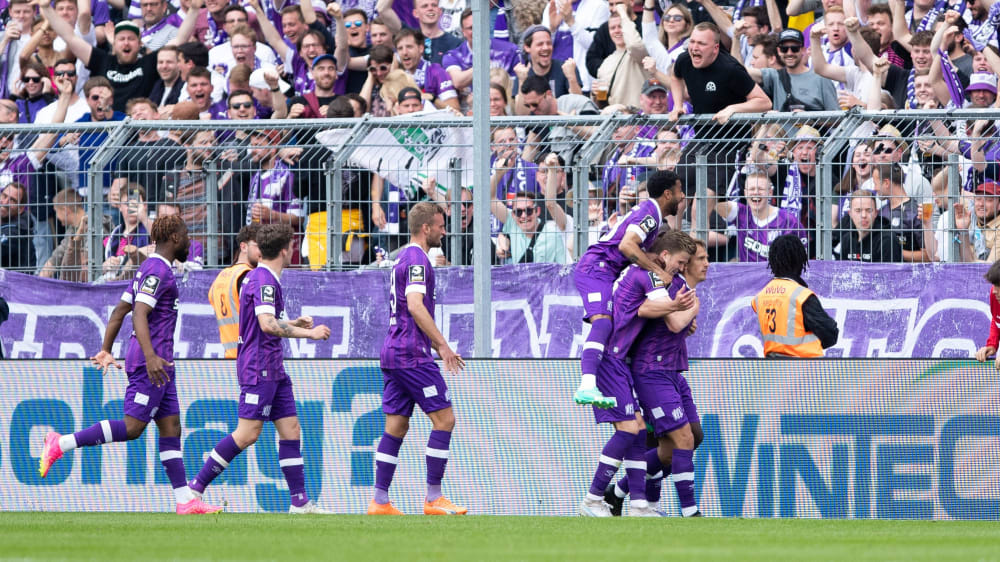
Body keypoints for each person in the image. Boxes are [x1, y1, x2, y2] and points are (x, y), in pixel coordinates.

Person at [39, 214, 222, 515]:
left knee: (171, 426)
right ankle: (60, 443)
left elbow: (119, 310)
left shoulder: (148, 269)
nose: (190, 240)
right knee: (134, 427)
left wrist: (105, 349)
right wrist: (149, 356)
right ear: (175, 238)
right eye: (186, 234)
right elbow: (138, 313)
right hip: (151, 361)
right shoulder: (157, 271)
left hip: (162, 362)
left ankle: (185, 500)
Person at [188, 223, 332, 513]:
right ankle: (194, 490)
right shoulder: (264, 280)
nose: (293, 250)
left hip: (272, 366)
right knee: (247, 434)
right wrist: (310, 334)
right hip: (258, 367)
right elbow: (267, 325)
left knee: (291, 429)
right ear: (284, 249)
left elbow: (260, 321)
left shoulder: (263, 278)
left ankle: (300, 503)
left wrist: (293, 323)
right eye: (292, 246)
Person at [578, 230, 696, 518]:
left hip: (619, 361)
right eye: (680, 262)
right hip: (610, 358)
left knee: (639, 430)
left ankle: (638, 504)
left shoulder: (644, 274)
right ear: (664, 256)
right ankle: (593, 498)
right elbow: (649, 308)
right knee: (630, 430)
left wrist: (678, 313)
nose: (682, 268)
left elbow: (655, 309)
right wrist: (679, 308)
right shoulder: (646, 273)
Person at [369, 202, 467, 516]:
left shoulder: (404, 258)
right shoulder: (416, 259)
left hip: (394, 352)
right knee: (444, 419)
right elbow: (414, 305)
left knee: (395, 426)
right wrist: (443, 347)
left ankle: (379, 501)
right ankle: (433, 498)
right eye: (440, 225)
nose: (443, 230)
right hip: (412, 354)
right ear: (426, 228)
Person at [607, 237, 709, 517]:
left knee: (682, 442)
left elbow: (676, 324)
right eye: (698, 259)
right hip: (653, 371)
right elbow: (672, 320)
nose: (705, 264)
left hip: (673, 371)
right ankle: (689, 512)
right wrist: (691, 309)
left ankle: (617, 492)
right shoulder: (670, 287)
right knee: (684, 439)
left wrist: (688, 315)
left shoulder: (681, 291)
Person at [572, 170, 685, 408]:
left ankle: (597, 384)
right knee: (602, 323)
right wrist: (659, 272)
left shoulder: (651, 214)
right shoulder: (651, 214)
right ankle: (587, 385)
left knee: (607, 325)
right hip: (597, 267)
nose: (683, 196)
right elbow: (626, 245)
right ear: (667, 194)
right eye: (679, 191)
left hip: (604, 270)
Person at [751, 234, 839, 358]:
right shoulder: (801, 296)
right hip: (805, 371)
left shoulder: (760, 297)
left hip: (772, 369)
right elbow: (830, 334)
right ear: (799, 260)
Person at [667, 22, 770, 124]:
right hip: (701, 135)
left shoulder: (730, 69)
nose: (694, 48)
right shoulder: (684, 60)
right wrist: (678, 105)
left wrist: (733, 109)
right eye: (692, 42)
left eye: (701, 43)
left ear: (715, 48)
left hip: (733, 137)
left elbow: (764, 102)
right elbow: (676, 77)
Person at [714, 172, 809, 262]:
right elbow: (713, 202)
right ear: (745, 193)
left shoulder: (788, 220)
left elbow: (802, 257)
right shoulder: (741, 214)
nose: (756, 193)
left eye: (761, 189)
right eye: (751, 189)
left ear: (770, 192)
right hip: (750, 277)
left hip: (778, 277)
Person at [209, 224, 261, 359]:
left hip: (230, 357)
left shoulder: (220, 277)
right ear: (243, 247)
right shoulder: (249, 277)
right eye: (258, 246)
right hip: (250, 358)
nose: (262, 252)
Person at [492, 191, 567, 264]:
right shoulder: (513, 224)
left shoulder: (552, 234)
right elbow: (490, 197)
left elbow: (563, 267)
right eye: (518, 212)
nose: (524, 216)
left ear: (537, 211)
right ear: (513, 215)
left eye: (529, 211)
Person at [0, 181, 35, 271]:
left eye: (12, 200)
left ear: (20, 209)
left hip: (11, 283)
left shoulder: (17, 230)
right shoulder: (6, 221)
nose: (5, 202)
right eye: (4, 196)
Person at [974, 260, 1000, 368]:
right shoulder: (995, 296)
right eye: (994, 285)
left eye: (998, 285)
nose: (994, 291)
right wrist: (992, 345)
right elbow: (997, 320)